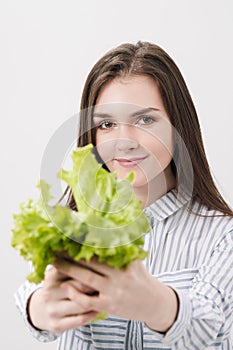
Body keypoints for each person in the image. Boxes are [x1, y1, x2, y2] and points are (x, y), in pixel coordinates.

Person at [15, 41, 233, 349]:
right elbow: (32, 290)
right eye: (106, 124)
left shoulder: (223, 235)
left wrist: (156, 304)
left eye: (145, 120)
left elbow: (210, 326)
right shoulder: (75, 223)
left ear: (178, 126)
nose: (124, 142)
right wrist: (38, 308)